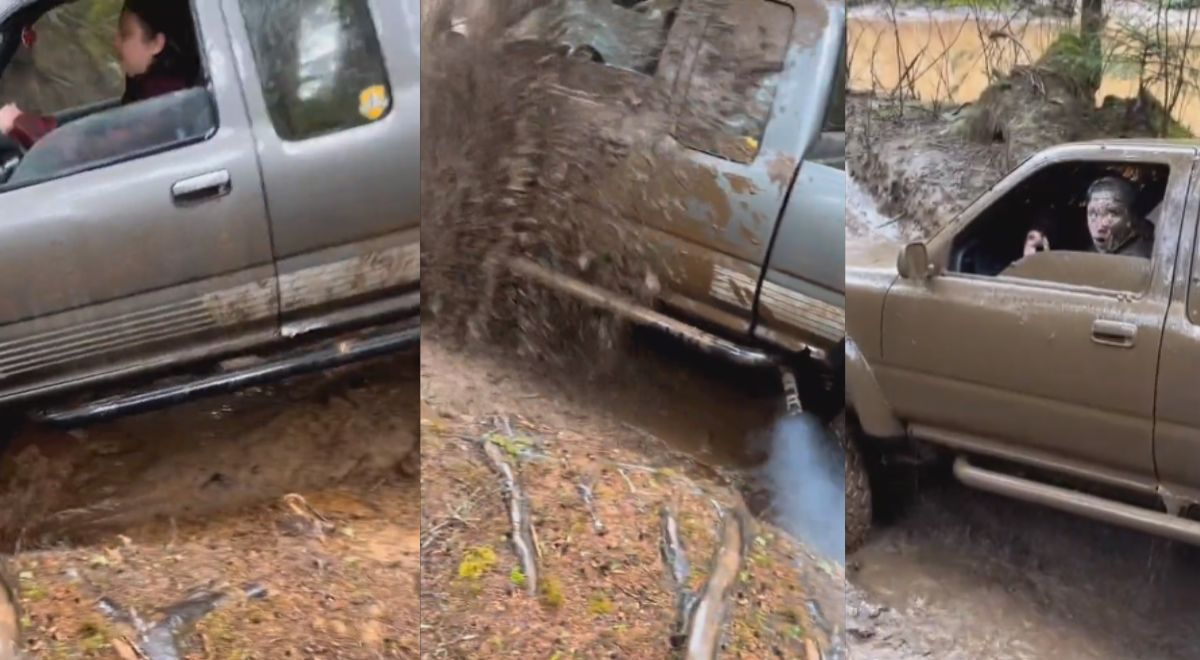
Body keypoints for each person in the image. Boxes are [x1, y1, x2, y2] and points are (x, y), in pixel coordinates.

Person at [0, 0, 199, 150]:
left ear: (156, 43)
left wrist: (23, 125)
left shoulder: (164, 106)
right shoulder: (154, 94)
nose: (116, 43)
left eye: (125, 34)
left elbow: (94, 150)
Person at [1084, 175, 1154, 258]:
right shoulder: (1094, 251)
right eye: (1093, 214)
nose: (1099, 227)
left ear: (1132, 218)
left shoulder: (1136, 259)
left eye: (1112, 214)